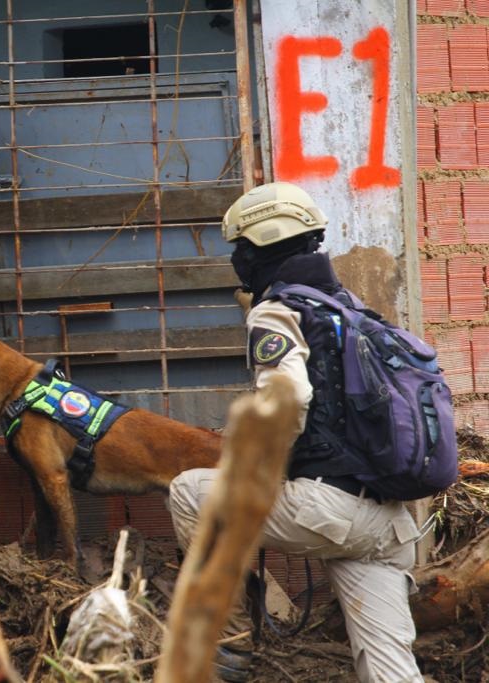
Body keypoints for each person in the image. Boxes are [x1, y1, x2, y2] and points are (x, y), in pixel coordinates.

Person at [167, 182, 423, 683]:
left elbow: (292, 397)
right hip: (388, 524)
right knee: (392, 671)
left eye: (240, 248)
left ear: (262, 247)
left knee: (189, 492)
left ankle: (227, 643)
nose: (237, 260)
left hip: (329, 511)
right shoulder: (352, 309)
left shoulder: (276, 310)